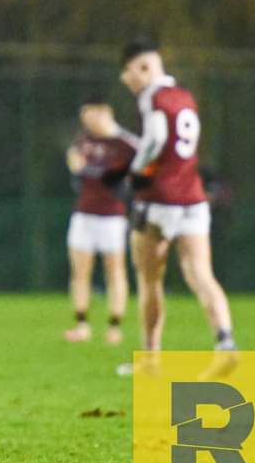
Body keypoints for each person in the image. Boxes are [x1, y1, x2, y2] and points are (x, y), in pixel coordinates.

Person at [114, 38, 237, 374]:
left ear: (141, 68)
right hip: (193, 197)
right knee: (201, 272)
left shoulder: (153, 96)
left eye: (130, 76)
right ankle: (225, 341)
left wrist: (135, 175)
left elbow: (155, 138)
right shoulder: (185, 96)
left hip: (160, 198)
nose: (130, 83)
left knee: (149, 279)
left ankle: (151, 359)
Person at [63, 97, 137, 344]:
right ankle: (81, 324)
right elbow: (75, 163)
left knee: (114, 270)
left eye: (90, 115)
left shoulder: (125, 143)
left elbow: (130, 178)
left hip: (112, 217)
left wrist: (88, 171)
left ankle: (114, 326)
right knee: (80, 271)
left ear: (104, 112)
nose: (86, 121)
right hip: (83, 212)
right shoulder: (84, 139)